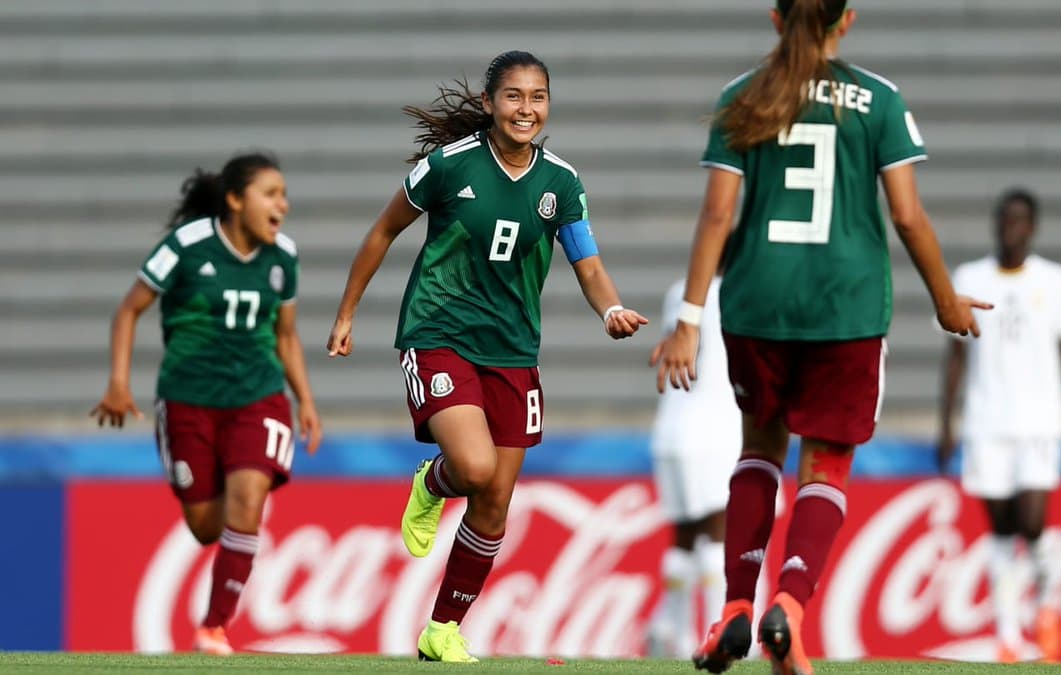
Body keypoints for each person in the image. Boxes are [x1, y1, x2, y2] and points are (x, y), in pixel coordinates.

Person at [650, 1, 991, 673]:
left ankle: (736, 607)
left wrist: (687, 318)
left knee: (759, 449)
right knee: (826, 465)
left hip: (758, 302)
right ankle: (789, 607)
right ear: (847, 20)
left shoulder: (743, 96)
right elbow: (908, 215)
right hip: (847, 308)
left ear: (776, 19)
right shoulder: (879, 100)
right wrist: (945, 298)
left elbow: (718, 214)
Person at [325, 50, 648, 663]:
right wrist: (346, 313)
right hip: (439, 334)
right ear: (489, 103)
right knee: (473, 468)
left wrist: (610, 309)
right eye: (513, 96)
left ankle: (442, 629)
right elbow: (383, 231)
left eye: (537, 97)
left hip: (514, 349)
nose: (526, 109)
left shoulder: (561, 182)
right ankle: (432, 483)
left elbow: (588, 263)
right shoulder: (450, 166)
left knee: (495, 502)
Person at [90, 152, 323, 655]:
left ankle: (213, 628)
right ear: (235, 200)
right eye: (270, 194)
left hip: (258, 396)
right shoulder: (187, 246)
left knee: (247, 500)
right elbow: (129, 310)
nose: (282, 204)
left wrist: (305, 399)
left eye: (284, 194)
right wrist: (118, 383)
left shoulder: (283, 256)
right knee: (204, 527)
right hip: (188, 400)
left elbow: (285, 336)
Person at [937, 188, 1061, 664]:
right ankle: (1008, 636)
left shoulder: (1055, 280)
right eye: (1004, 218)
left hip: (1041, 421)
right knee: (1002, 530)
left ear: (1033, 227)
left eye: (1020, 220)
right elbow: (955, 357)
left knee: (1033, 521)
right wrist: (947, 423)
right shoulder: (969, 278)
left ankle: (1045, 606)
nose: (1011, 227)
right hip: (986, 422)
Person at [646, 275, 742, 659]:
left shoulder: (679, 290)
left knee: (684, 536)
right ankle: (721, 632)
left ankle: (673, 631)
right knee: (720, 533)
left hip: (671, 428)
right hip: (716, 428)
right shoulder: (738, 290)